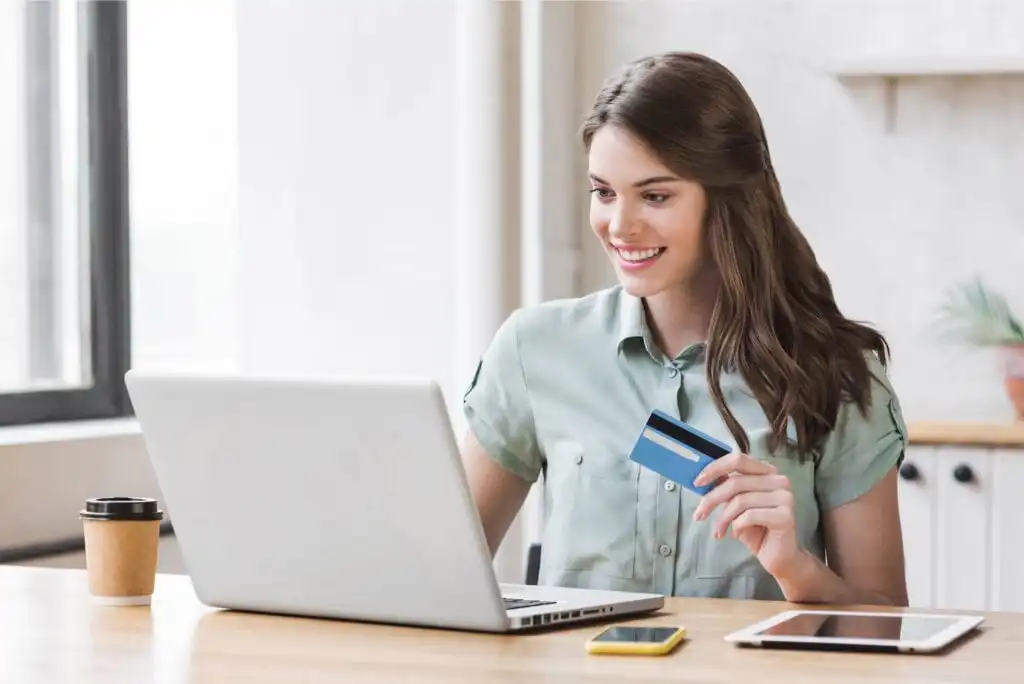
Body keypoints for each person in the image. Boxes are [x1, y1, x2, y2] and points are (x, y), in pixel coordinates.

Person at [460, 51, 908, 606]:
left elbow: (885, 622)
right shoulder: (535, 349)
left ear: (727, 200)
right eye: (604, 192)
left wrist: (792, 567)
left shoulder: (836, 373)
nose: (619, 226)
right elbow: (442, 574)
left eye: (655, 195)